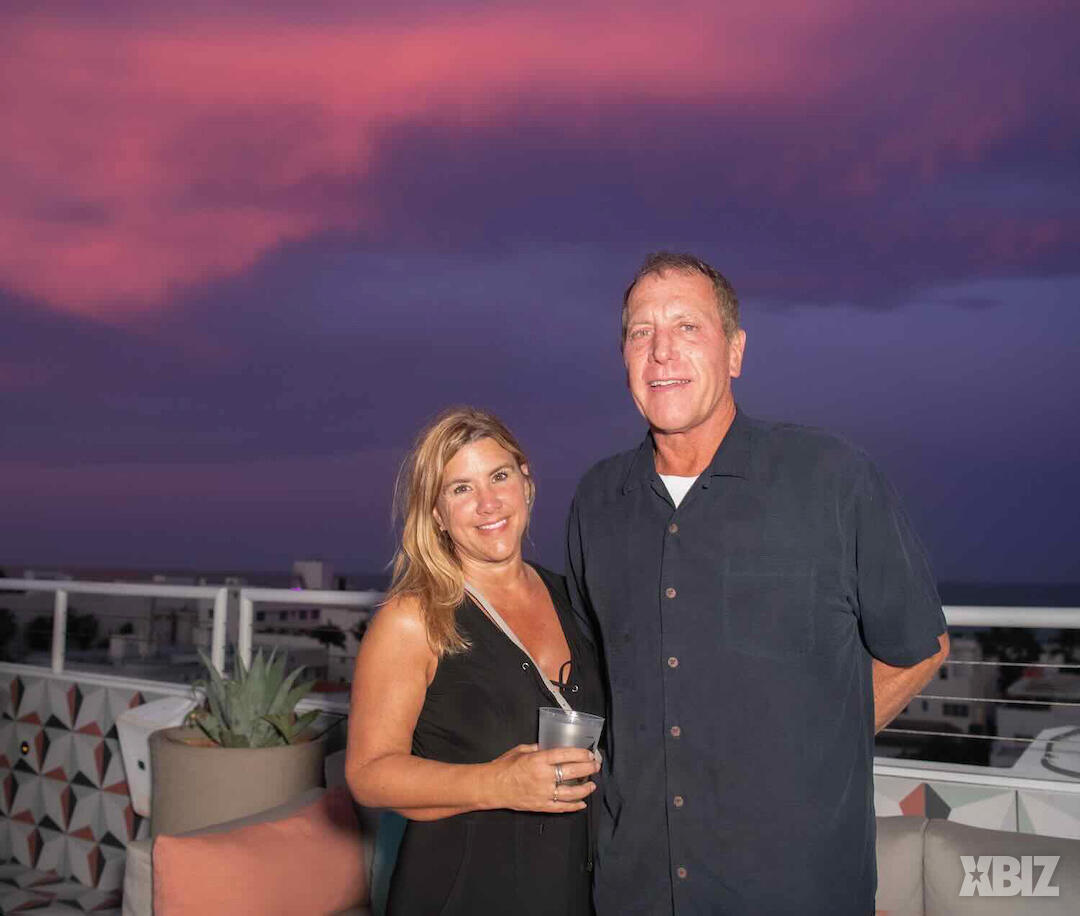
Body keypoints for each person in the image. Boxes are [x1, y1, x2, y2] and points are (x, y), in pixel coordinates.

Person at [566, 252, 949, 915]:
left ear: (736, 351)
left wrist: (811, 759)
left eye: (688, 326)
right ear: (623, 356)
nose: (661, 351)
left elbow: (919, 648)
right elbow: (588, 673)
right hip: (637, 887)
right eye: (641, 331)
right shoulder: (599, 500)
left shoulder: (831, 478)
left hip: (792, 886)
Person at [347, 407, 604, 916]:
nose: (488, 503)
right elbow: (368, 774)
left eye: (499, 476)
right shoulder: (414, 618)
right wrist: (499, 783)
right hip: (462, 889)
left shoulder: (572, 598)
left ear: (526, 482)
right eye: (461, 488)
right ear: (437, 514)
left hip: (572, 887)